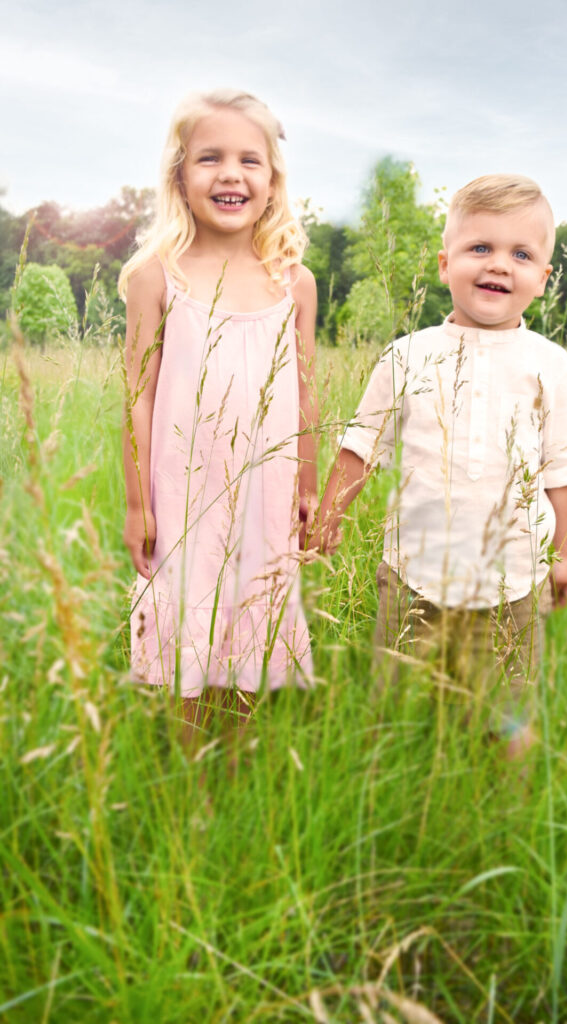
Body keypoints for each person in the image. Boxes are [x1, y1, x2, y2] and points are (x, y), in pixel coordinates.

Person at [310, 174, 567, 757]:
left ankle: (502, 810)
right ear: (445, 264)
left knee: (506, 717)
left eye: (521, 254)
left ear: (542, 278)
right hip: (413, 575)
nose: (499, 265)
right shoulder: (408, 355)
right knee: (393, 707)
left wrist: (565, 554)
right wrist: (330, 513)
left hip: (512, 581)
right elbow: (364, 442)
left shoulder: (551, 365)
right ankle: (390, 792)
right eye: (480, 248)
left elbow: (564, 467)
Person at [119, 89, 317, 731]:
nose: (230, 174)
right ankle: (190, 778)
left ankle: (237, 765)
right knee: (191, 635)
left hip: (266, 490)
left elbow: (306, 390)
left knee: (253, 633)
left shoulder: (293, 279)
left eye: (249, 161)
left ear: (272, 179)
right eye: (210, 158)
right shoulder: (157, 274)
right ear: (180, 175)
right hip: (184, 493)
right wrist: (136, 503)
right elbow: (138, 396)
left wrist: (308, 482)